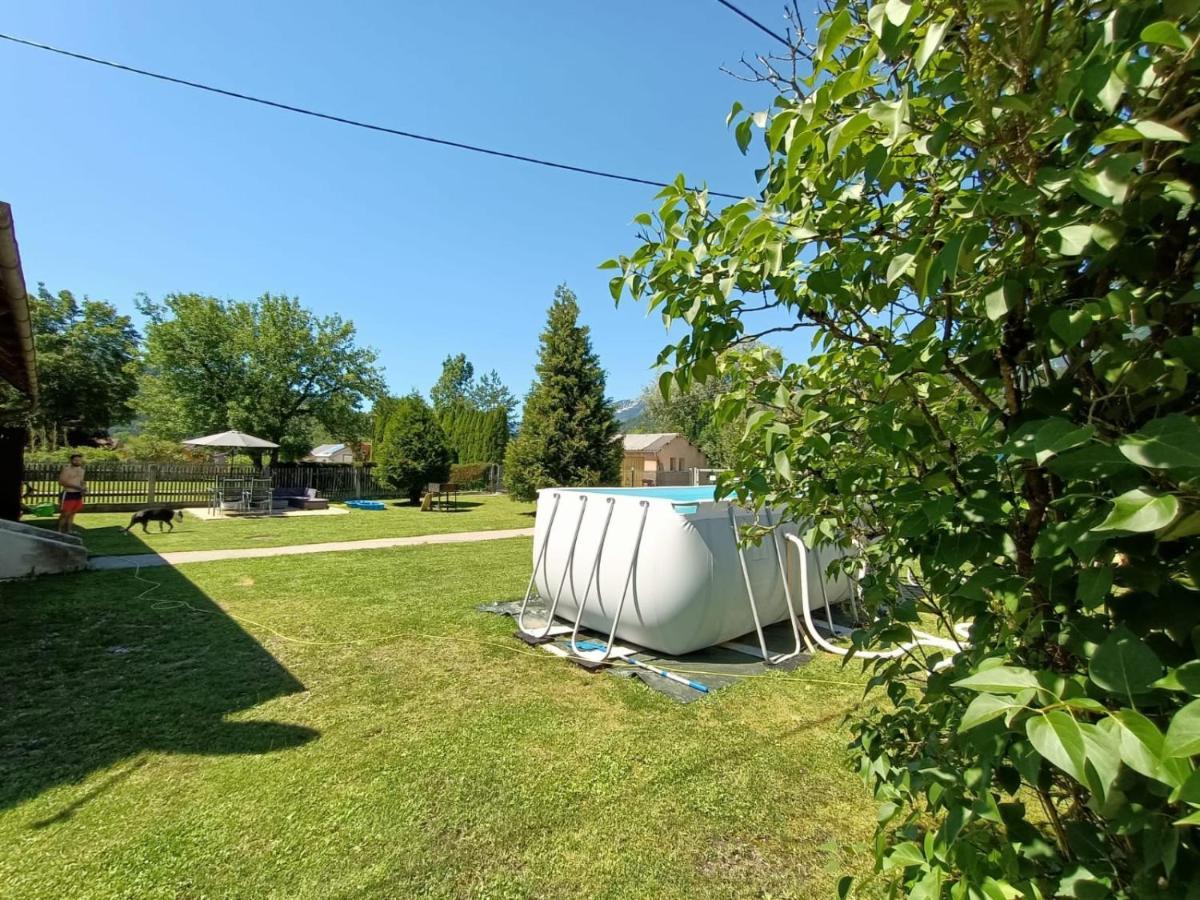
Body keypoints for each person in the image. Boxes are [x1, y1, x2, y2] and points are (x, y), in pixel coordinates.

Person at [57, 452, 87, 534]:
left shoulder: (82, 470)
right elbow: (61, 482)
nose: (77, 462)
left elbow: (81, 481)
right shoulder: (67, 470)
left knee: (73, 513)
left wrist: (84, 488)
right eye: (75, 460)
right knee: (65, 513)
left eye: (79, 460)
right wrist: (77, 487)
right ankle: (59, 531)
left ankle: (69, 530)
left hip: (78, 494)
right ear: (71, 460)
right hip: (68, 494)